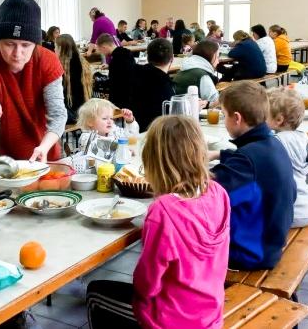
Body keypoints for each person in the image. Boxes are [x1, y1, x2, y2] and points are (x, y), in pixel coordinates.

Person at [86, 116, 230, 328]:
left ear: (153, 161)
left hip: (169, 320)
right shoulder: (218, 192)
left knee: (94, 293)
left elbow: (147, 283)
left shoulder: (163, 210)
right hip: (209, 313)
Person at [0, 0, 67, 175]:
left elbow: (58, 115)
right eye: (9, 44)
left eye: (26, 45)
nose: (17, 53)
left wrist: (44, 147)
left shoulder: (47, 61)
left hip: (43, 159)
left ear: (36, 44)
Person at [210, 81, 294, 270]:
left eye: (224, 115)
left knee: (180, 231)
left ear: (237, 118)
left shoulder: (245, 161)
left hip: (248, 255)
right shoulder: (274, 144)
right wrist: (219, 154)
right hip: (271, 244)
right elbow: (254, 165)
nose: (224, 120)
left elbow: (207, 193)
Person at [267, 88, 308, 228]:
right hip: (306, 206)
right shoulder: (301, 137)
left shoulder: (276, 143)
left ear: (278, 120)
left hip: (290, 212)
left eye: (264, 114)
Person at [72, 98, 139, 170]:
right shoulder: (86, 138)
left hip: (114, 169)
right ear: (90, 122)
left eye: (111, 118)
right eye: (104, 118)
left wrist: (130, 122)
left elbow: (130, 138)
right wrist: (122, 150)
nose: (109, 121)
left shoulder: (114, 131)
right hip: (95, 172)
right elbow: (101, 151)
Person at [129, 38, 175, 132]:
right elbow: (170, 120)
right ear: (172, 58)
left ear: (147, 57)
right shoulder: (164, 86)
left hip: (132, 131)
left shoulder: (133, 73)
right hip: (155, 134)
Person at [55, 34, 92, 124]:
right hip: (84, 107)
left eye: (55, 47)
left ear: (61, 49)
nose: (54, 49)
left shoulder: (62, 67)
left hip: (71, 112)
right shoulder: (82, 61)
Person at [174, 40, 220, 107]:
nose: (218, 61)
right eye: (217, 57)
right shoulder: (202, 76)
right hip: (194, 112)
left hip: (179, 109)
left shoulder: (185, 68)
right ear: (212, 56)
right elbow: (215, 101)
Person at [96, 34, 136, 110]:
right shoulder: (127, 52)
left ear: (104, 47)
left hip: (121, 99)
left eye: (100, 50)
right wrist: (109, 66)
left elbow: (113, 84)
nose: (102, 53)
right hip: (133, 94)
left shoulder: (115, 61)